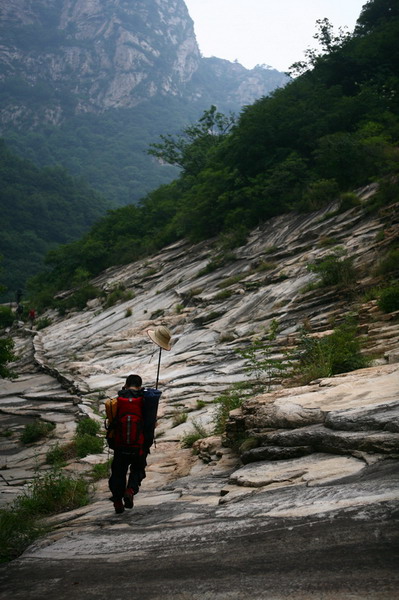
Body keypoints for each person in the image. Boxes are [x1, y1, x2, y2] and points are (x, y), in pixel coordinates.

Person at [108, 374, 150, 514]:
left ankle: (118, 502)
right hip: (138, 445)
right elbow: (150, 422)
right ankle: (130, 490)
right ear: (139, 386)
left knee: (118, 472)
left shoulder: (117, 401)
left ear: (125, 385)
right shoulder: (144, 400)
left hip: (120, 445)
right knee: (138, 469)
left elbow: (111, 421)